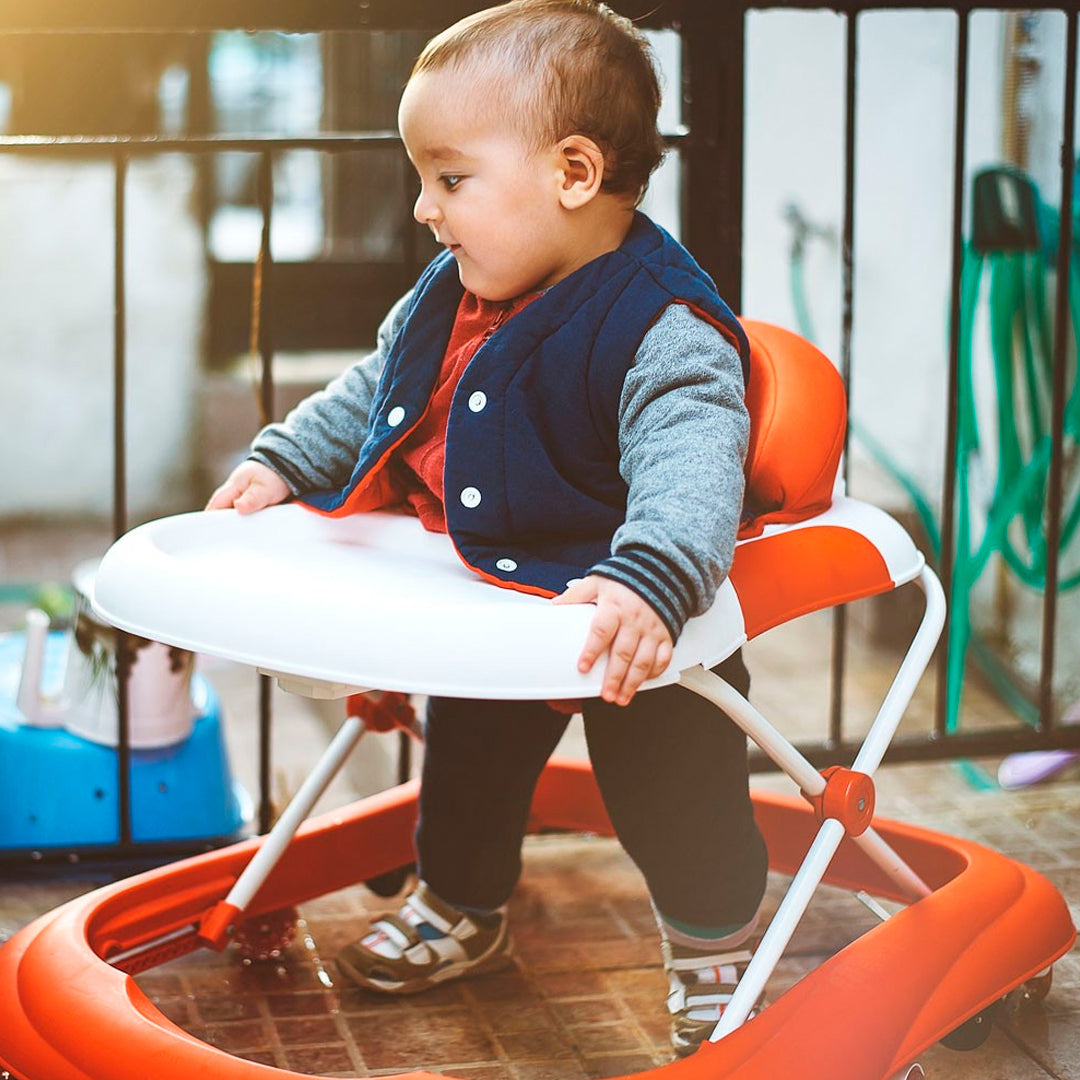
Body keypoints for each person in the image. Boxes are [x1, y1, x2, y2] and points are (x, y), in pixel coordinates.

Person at [207, 0, 768, 1055]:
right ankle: (463, 901)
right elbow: (379, 387)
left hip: (626, 624)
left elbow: (695, 466)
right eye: (425, 179)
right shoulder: (453, 289)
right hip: (498, 597)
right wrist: (288, 458)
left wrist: (651, 579)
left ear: (572, 173)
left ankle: (713, 945)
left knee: (677, 795)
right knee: (466, 767)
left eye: (450, 179)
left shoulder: (664, 327)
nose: (425, 208)